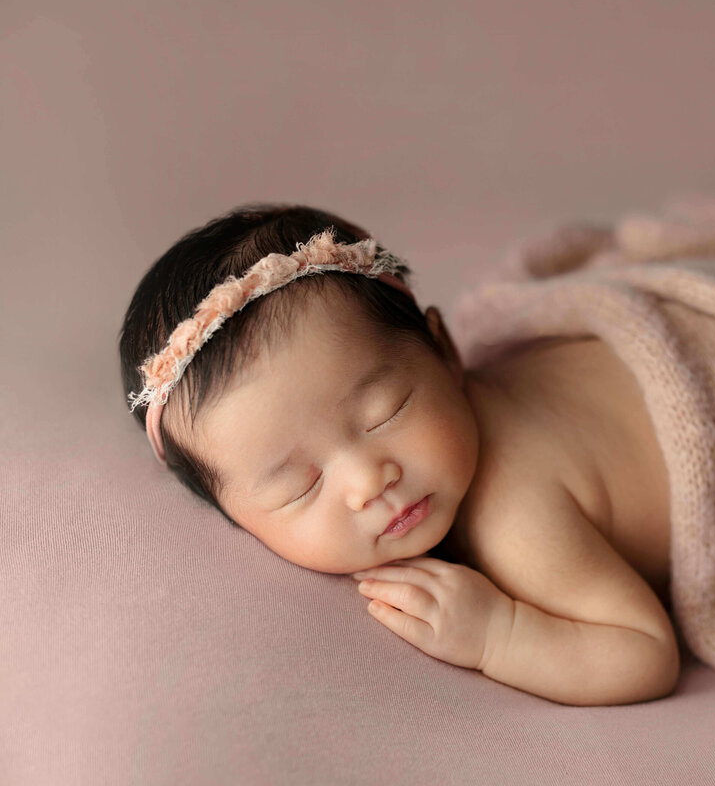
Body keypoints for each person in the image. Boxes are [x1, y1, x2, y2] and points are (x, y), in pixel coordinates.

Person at [119, 204, 679, 707]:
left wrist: (498, 633)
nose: (369, 481)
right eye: (300, 486)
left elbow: (645, 654)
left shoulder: (514, 511)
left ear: (446, 352)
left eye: (384, 414)